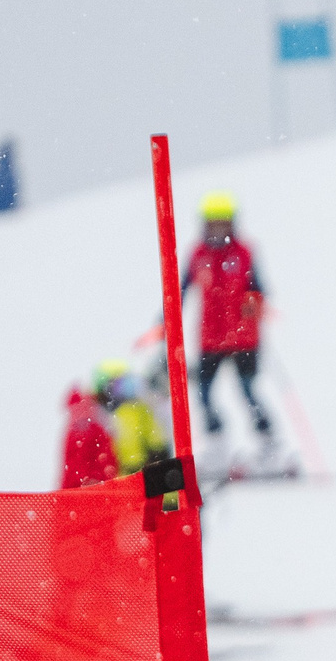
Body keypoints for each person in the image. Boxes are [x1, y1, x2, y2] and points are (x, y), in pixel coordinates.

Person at [178, 191, 280, 471]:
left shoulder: (245, 253)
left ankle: (269, 442)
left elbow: (259, 288)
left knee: (248, 390)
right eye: (213, 223)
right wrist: (165, 319)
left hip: (244, 337)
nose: (218, 229)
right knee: (205, 393)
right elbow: (182, 291)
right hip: (210, 338)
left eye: (223, 223)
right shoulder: (197, 255)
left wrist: (253, 301)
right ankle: (217, 443)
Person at [92, 359, 170, 475]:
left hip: (141, 472)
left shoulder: (133, 409)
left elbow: (153, 439)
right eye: (119, 383)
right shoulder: (111, 414)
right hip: (135, 473)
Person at [58, 385, 117, 489]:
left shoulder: (71, 432)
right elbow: (108, 458)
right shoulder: (97, 428)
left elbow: (67, 467)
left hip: (75, 491)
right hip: (98, 489)